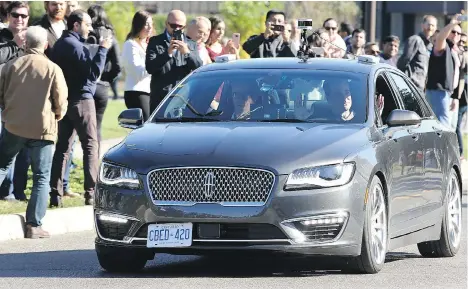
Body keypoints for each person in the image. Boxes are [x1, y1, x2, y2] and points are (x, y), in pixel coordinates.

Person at [0, 26, 68, 238]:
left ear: (25, 44)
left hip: (13, 126)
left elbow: (0, 95)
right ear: (46, 45)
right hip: (42, 129)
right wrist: (56, 115)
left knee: (2, 165)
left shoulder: (10, 66)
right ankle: (33, 225)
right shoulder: (53, 68)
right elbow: (61, 102)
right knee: (41, 176)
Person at [49, 9, 112, 207]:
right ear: (76, 25)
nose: (90, 28)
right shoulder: (75, 46)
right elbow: (93, 74)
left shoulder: (60, 44)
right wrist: (103, 49)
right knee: (91, 146)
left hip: (65, 102)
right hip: (82, 101)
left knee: (63, 148)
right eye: (87, 24)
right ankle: (91, 192)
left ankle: (55, 193)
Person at [145, 9, 203, 113]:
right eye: (173, 25)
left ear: (184, 26)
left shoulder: (190, 43)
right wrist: (168, 53)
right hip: (160, 98)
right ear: (166, 24)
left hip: (184, 98)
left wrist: (187, 53)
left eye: (180, 26)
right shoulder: (155, 41)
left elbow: (199, 66)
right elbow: (150, 67)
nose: (176, 29)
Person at [426, 13, 463, 130]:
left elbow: (457, 75)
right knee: (443, 127)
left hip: (448, 93)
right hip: (438, 91)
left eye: (459, 33)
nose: (456, 34)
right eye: (453, 31)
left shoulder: (455, 51)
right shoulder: (443, 46)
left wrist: (455, 97)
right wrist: (452, 24)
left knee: (447, 128)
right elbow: (440, 37)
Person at [122, 10, 153, 121]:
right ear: (138, 25)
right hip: (137, 93)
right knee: (144, 127)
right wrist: (155, 64)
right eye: (146, 24)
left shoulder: (148, 44)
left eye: (151, 24)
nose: (150, 27)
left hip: (149, 92)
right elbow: (137, 73)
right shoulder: (130, 44)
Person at [397, 15, 438, 91]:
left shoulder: (430, 46)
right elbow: (403, 61)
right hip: (411, 86)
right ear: (422, 25)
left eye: (433, 25)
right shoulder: (415, 40)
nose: (430, 28)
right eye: (428, 24)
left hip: (422, 88)